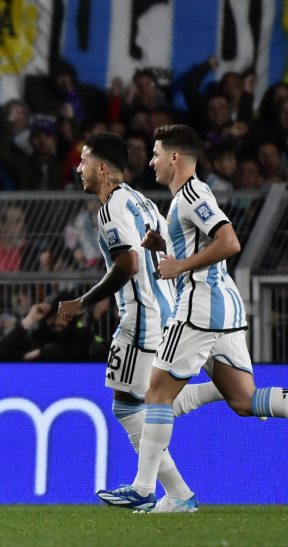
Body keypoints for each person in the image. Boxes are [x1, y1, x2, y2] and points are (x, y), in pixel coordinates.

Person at [97, 125, 288, 512]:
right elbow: (203, 240)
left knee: (155, 395)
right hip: (223, 307)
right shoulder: (182, 201)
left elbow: (228, 240)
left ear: (174, 158)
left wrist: (179, 264)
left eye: (155, 154)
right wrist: (163, 245)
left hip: (201, 306)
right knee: (245, 400)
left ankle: (146, 488)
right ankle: (166, 494)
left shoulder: (191, 194)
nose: (150, 161)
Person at [55, 133, 199, 512]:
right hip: (166, 312)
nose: (78, 169)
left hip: (142, 319)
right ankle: (178, 495)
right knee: (150, 400)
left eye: (83, 162)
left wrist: (82, 303)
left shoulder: (109, 209)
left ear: (102, 169)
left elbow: (128, 263)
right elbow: (169, 249)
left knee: (129, 406)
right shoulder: (143, 202)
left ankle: (167, 492)